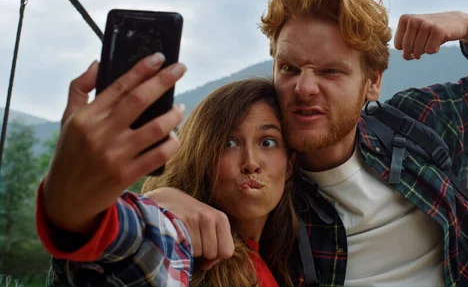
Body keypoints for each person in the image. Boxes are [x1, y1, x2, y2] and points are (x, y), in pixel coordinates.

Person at [148, 0, 468, 287]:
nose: (304, 88)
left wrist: (467, 24)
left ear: (373, 83)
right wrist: (159, 202)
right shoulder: (264, 182)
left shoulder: (421, 125)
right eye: (289, 69)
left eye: (330, 72)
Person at [36, 69, 297, 285]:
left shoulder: (289, 257)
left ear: (290, 165)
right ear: (202, 158)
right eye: (229, 143)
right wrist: (77, 207)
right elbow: (128, 243)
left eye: (268, 142)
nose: (251, 163)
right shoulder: (177, 241)